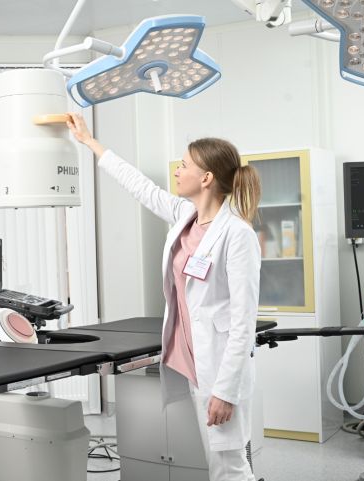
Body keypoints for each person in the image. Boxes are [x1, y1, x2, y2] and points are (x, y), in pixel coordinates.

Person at [66, 112, 262, 481]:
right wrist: (90, 142)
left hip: (218, 368)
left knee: (230, 467)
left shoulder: (237, 234)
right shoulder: (185, 216)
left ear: (206, 178)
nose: (177, 170)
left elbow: (243, 322)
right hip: (194, 363)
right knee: (217, 464)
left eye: (185, 165)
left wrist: (225, 391)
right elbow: (139, 186)